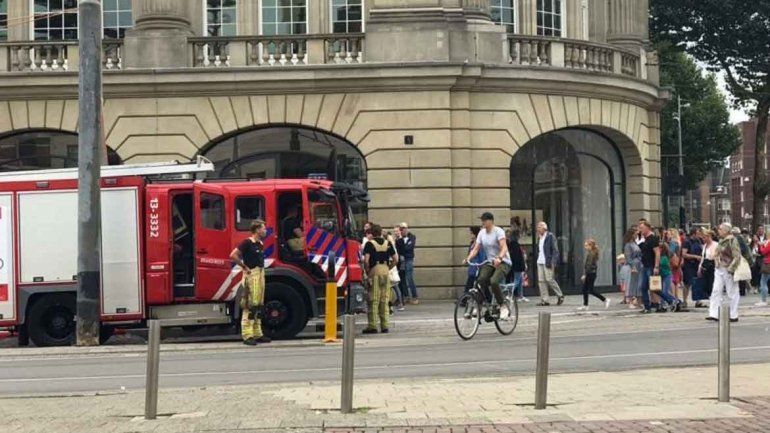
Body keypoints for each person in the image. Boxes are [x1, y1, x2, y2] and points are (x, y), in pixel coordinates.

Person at [230, 220, 271, 346]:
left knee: (258, 304)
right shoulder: (247, 242)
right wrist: (244, 266)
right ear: (257, 230)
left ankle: (257, 333)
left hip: (260, 274)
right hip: (251, 275)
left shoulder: (260, 243)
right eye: (263, 228)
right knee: (249, 304)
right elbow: (233, 255)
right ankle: (247, 335)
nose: (265, 231)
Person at [464, 212, 512, 318]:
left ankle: (503, 306)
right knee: (480, 280)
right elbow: (476, 248)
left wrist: (499, 258)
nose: (482, 222)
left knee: (494, 281)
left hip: (503, 262)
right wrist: (468, 258)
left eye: (484, 220)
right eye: (482, 220)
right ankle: (479, 306)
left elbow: (504, 247)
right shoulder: (481, 233)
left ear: (490, 221)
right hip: (490, 262)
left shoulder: (498, 231)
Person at [638, 221, 681, 314]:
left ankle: (672, 300)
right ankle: (647, 307)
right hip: (645, 266)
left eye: (642, 228)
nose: (640, 230)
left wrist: (656, 266)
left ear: (647, 228)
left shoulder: (653, 239)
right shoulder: (644, 239)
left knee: (654, 288)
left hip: (651, 266)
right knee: (643, 287)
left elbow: (657, 252)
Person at [363, 225, 398, 334]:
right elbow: (395, 259)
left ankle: (372, 326)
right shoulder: (388, 243)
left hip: (375, 271)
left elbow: (366, 260)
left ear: (372, 233)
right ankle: (385, 326)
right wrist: (389, 267)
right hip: (385, 272)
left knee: (373, 300)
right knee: (384, 299)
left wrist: (368, 271)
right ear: (381, 232)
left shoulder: (369, 244)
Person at [707, 223, 741, 322]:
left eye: (720, 229)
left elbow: (737, 256)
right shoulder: (721, 240)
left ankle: (733, 315)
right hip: (719, 268)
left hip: (728, 269)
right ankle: (714, 314)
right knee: (716, 290)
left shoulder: (732, 240)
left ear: (726, 230)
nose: (718, 231)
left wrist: (731, 268)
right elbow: (717, 253)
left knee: (732, 292)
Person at [535, 222, 565, 306]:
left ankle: (560, 295)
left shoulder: (550, 236)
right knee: (541, 281)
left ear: (545, 228)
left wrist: (553, 262)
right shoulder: (539, 237)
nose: (538, 228)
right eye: (538, 227)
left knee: (549, 279)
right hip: (539, 261)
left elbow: (555, 250)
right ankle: (545, 300)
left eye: (540, 227)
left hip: (547, 261)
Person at [577, 239, 610, 311]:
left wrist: (585, 274)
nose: (585, 247)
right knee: (586, 289)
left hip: (590, 273)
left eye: (586, 245)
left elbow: (589, 265)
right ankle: (586, 305)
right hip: (591, 273)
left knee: (589, 290)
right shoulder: (592, 253)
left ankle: (605, 300)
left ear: (590, 246)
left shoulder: (591, 254)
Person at [396, 222, 419, 305]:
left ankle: (415, 296)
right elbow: (400, 249)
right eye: (401, 229)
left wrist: (404, 248)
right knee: (402, 279)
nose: (403, 230)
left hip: (409, 259)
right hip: (401, 260)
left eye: (404, 228)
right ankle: (406, 296)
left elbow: (409, 247)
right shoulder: (399, 239)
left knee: (409, 278)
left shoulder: (412, 237)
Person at [682, 228, 704, 308]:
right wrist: (695, 256)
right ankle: (684, 301)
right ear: (693, 234)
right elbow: (684, 254)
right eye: (698, 234)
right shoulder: (687, 242)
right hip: (689, 265)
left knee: (698, 282)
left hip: (697, 265)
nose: (699, 236)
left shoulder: (699, 241)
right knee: (687, 283)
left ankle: (698, 300)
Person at [697, 230, 718, 308]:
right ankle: (708, 298)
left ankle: (713, 299)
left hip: (713, 265)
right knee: (705, 283)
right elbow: (703, 257)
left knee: (712, 282)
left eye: (704, 237)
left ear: (709, 237)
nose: (703, 239)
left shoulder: (716, 245)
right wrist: (699, 267)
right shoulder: (704, 246)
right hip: (705, 265)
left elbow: (716, 256)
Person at [623, 228, 642, 309]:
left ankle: (638, 301)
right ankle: (630, 300)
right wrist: (632, 266)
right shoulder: (628, 245)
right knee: (632, 283)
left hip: (639, 264)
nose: (636, 235)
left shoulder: (634, 243)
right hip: (633, 265)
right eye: (635, 234)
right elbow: (628, 257)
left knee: (638, 283)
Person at [507, 230, 528, 303]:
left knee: (520, 280)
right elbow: (517, 257)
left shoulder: (511, 244)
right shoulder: (515, 244)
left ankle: (520, 296)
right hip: (517, 266)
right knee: (517, 281)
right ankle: (509, 294)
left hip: (515, 266)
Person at [465, 226, 486, 293]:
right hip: (472, 267)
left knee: (470, 284)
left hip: (477, 268)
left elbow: (482, 256)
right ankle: (486, 299)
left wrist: (481, 266)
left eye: (472, 233)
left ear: (475, 234)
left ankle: (463, 301)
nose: (470, 235)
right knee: (480, 286)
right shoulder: (472, 243)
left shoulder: (480, 244)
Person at [757, 235, 770, 307]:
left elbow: (764, 252)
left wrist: (761, 245)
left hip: (768, 263)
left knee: (763, 281)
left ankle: (763, 300)